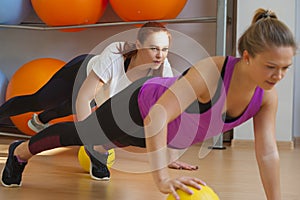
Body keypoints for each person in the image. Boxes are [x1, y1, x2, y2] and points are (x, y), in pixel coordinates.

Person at [1, 8, 297, 200]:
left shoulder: (266, 95)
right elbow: (157, 116)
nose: (279, 76)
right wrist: (162, 176)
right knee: (84, 135)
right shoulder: (213, 72)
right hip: (140, 105)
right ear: (246, 57)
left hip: (159, 131)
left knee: (109, 143)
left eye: (286, 67)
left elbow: (267, 152)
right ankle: (20, 152)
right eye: (272, 66)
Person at [0, 22, 197, 179]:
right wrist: (89, 140)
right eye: (153, 48)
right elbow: (85, 96)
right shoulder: (115, 54)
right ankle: (34, 119)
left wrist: (169, 158)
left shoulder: (163, 71)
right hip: (78, 75)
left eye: (164, 49)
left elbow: (167, 116)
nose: (159, 55)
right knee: (40, 100)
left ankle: (46, 121)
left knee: (88, 116)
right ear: (138, 44)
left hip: (103, 97)